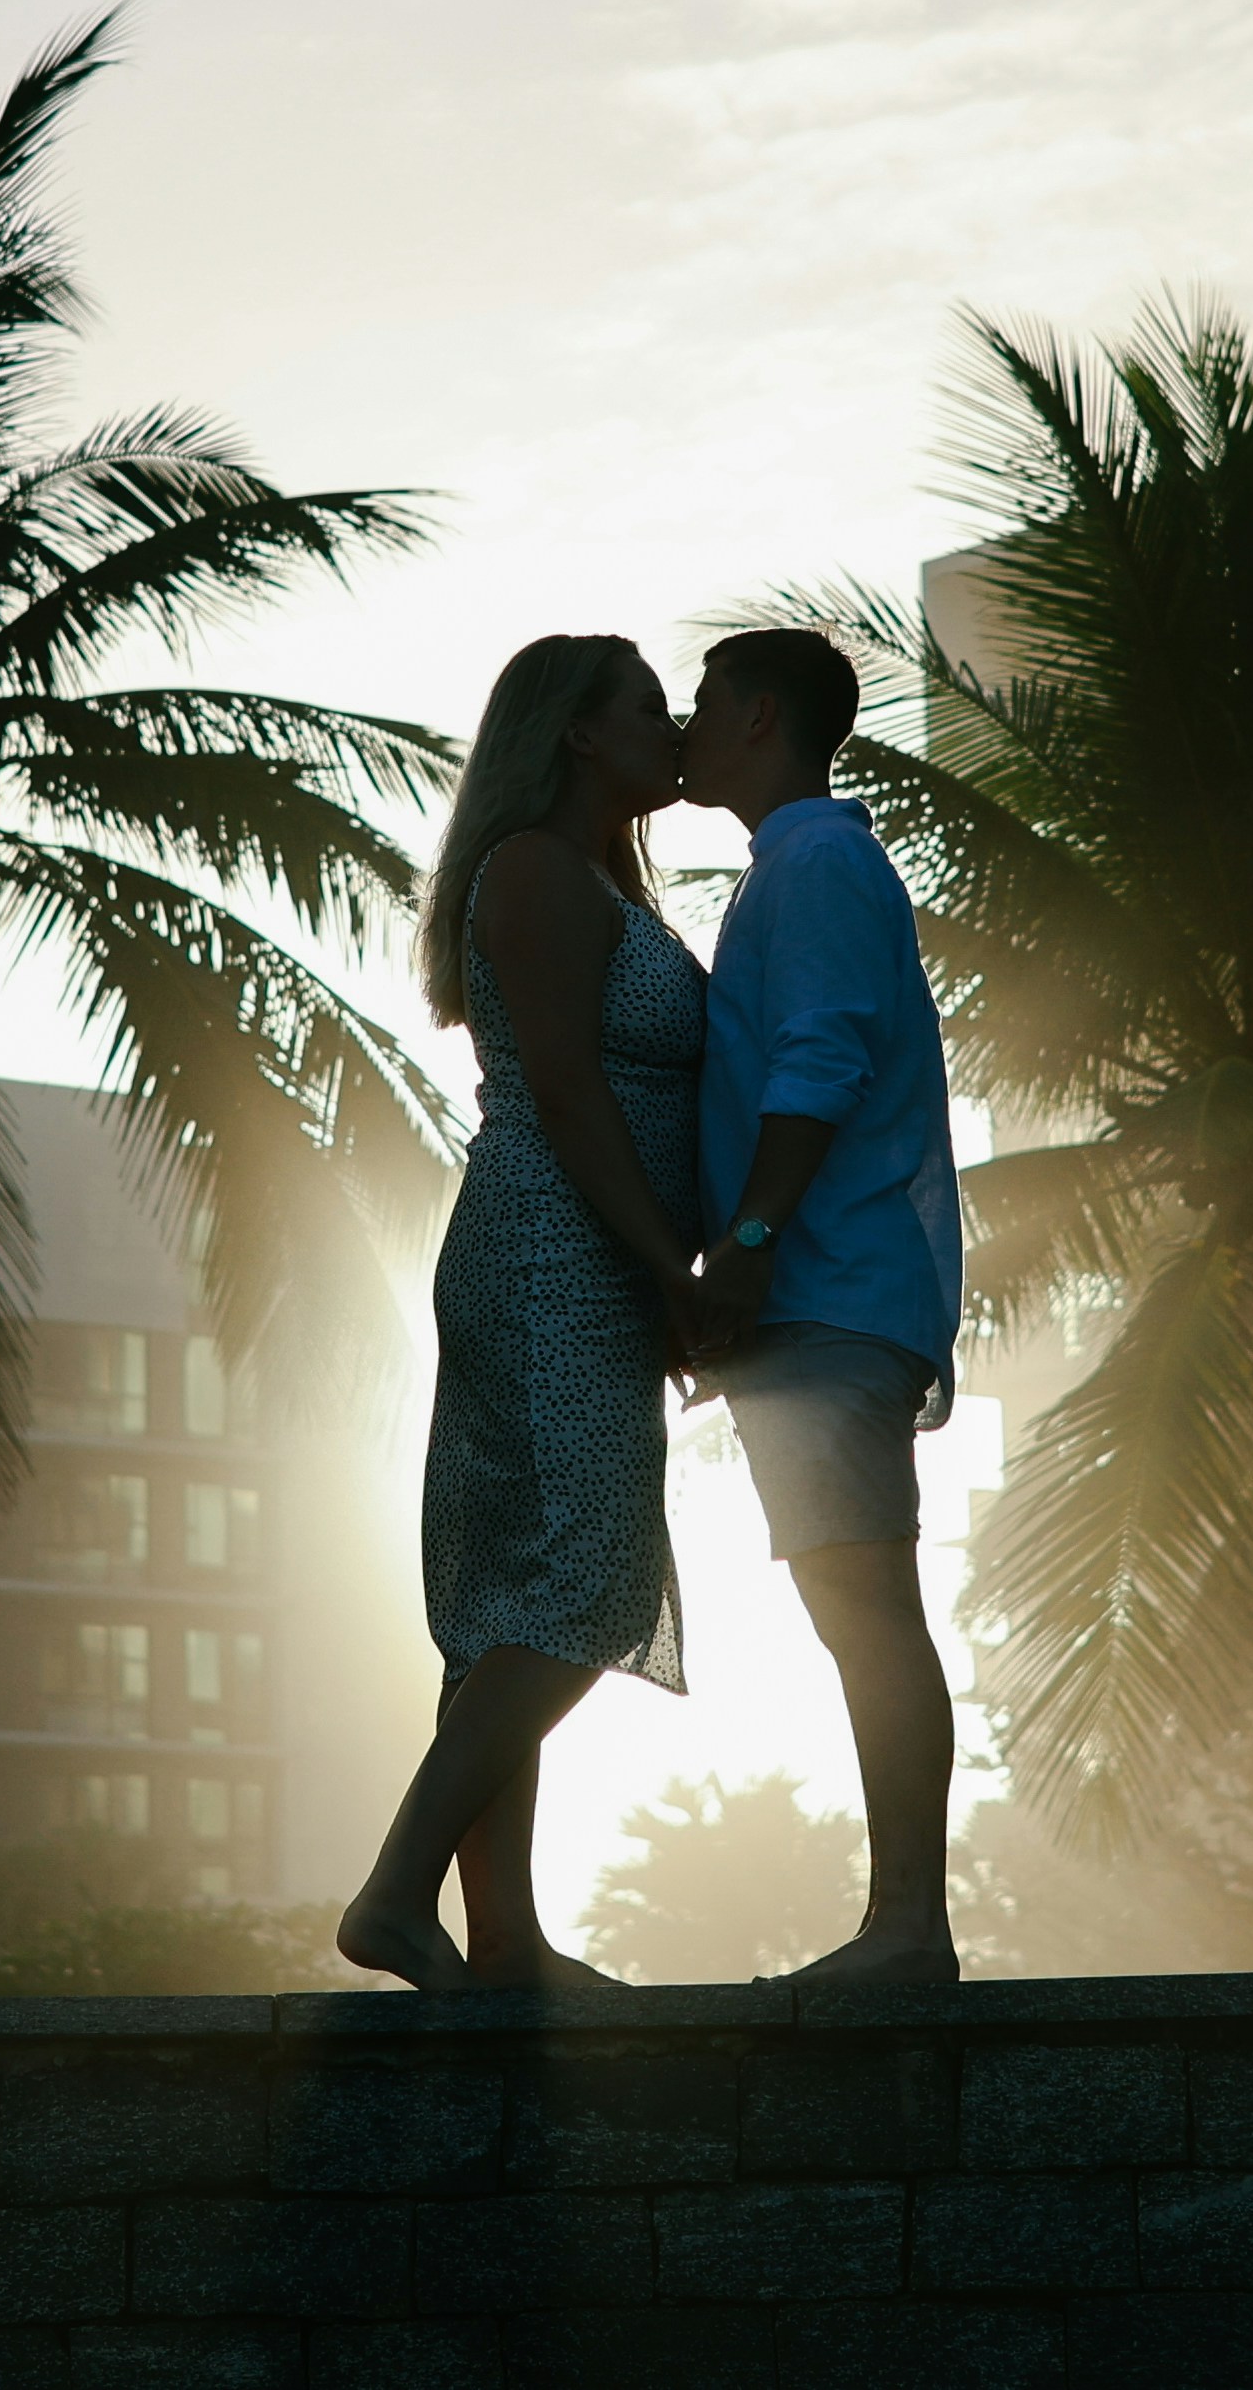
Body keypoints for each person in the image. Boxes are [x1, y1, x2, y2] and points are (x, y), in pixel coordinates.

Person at [334, 633, 711, 1992]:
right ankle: (394, 1891)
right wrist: (670, 1266)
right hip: (554, 1254)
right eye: (648, 711)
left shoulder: (590, 877)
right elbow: (566, 1088)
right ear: (576, 734)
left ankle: (505, 1944)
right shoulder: (542, 874)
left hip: (574, 1256)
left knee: (516, 1601)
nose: (672, 730)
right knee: (585, 1581)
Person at [677, 621, 966, 1987]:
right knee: (852, 1607)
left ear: (758, 717)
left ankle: (910, 1926)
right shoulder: (795, 866)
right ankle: (904, 1923)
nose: (685, 727)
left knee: (867, 1608)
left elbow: (823, 1057)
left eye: (703, 704)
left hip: (831, 1289)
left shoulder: (823, 863)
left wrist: (745, 1237)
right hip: (823, 1296)